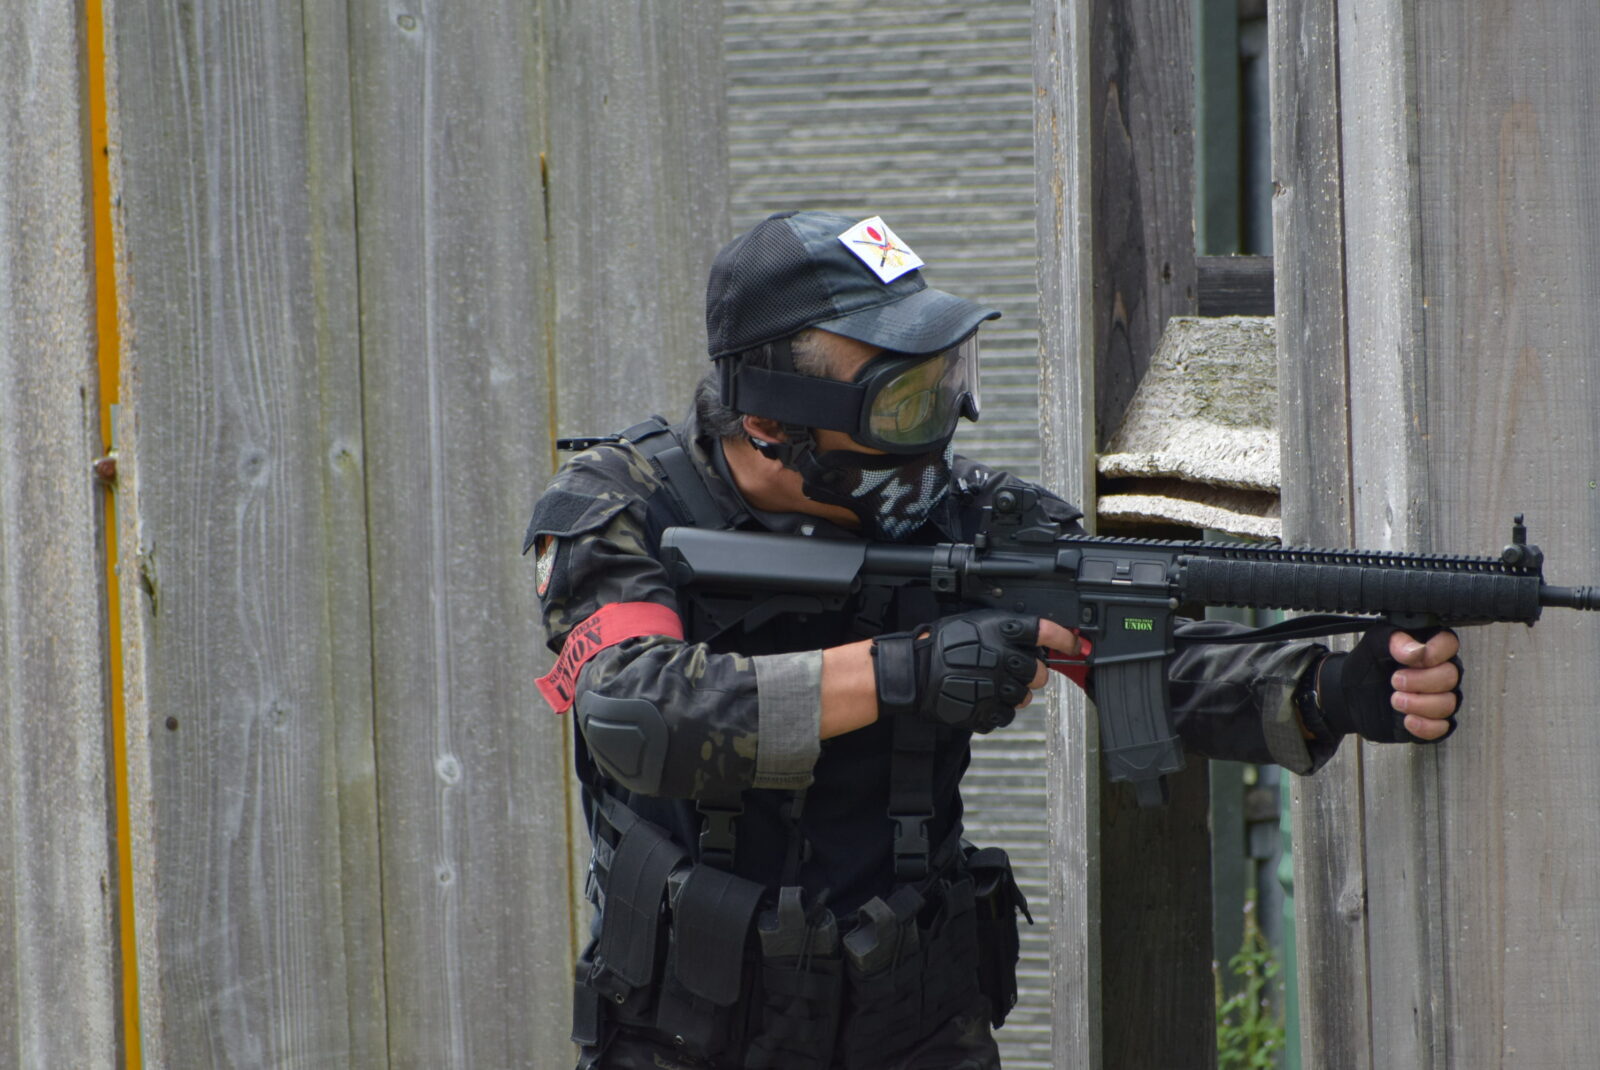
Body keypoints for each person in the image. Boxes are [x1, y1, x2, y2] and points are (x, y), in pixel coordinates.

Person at [526, 210, 1462, 1070]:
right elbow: (638, 713)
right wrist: (907, 673)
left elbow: (1143, 652)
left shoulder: (972, 518)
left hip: (910, 1020)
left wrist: (1334, 688)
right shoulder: (625, 506)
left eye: (946, 381)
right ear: (771, 421)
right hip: (682, 1030)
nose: (938, 426)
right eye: (900, 399)